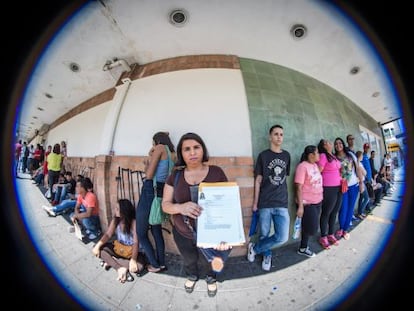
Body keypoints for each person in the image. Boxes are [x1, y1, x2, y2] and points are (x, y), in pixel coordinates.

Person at [162, 132, 232, 297]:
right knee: (189, 258)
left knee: (211, 260)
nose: (192, 152)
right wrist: (181, 208)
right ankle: (192, 276)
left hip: (212, 233)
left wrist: (226, 234)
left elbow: (227, 205)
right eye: (187, 149)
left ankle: (210, 278)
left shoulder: (216, 172)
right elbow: (165, 205)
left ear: (203, 150)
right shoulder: (175, 176)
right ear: (181, 153)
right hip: (183, 232)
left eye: (196, 147)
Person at [247, 124, 290, 271]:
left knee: (282, 236)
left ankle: (255, 248)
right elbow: (258, 180)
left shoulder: (286, 156)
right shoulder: (263, 156)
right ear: (270, 137)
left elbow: (284, 179)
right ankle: (267, 254)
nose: (279, 137)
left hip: (282, 203)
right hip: (265, 202)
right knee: (264, 234)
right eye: (276, 134)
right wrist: (255, 203)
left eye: (281, 134)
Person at [136, 132, 175, 273]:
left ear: (156, 141)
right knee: (156, 229)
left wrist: (149, 157)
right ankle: (161, 263)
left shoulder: (159, 148)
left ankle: (155, 264)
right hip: (161, 191)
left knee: (141, 232)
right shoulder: (172, 154)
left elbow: (149, 175)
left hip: (149, 190)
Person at [92, 199, 146, 283]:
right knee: (97, 247)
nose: (115, 210)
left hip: (132, 252)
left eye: (117, 208)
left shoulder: (134, 223)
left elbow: (136, 242)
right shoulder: (116, 220)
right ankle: (120, 268)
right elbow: (108, 234)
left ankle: (110, 261)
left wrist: (133, 260)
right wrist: (98, 245)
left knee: (139, 267)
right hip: (119, 248)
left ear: (124, 211)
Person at [294, 145, 323, 258]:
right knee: (311, 229)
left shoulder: (314, 165)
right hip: (307, 203)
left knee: (308, 228)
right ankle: (303, 247)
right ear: (311, 155)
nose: (319, 155)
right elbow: (298, 187)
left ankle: (303, 248)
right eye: (317, 153)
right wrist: (300, 206)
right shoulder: (302, 167)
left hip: (317, 201)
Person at [334, 137, 364, 240]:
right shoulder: (334, 158)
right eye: (336, 144)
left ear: (343, 144)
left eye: (340, 143)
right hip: (342, 187)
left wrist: (361, 183)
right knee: (343, 208)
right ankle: (341, 228)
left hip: (354, 186)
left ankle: (345, 230)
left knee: (350, 209)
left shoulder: (350, 155)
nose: (338, 145)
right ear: (335, 146)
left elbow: (358, 168)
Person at [316, 139, 342, 249]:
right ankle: (323, 236)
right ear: (323, 146)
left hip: (338, 187)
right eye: (327, 142)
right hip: (328, 188)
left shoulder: (334, 156)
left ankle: (331, 234)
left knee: (334, 211)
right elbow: (317, 172)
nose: (330, 142)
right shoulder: (323, 156)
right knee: (326, 212)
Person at [356, 151, 370, 219]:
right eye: (361, 156)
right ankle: (360, 213)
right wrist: (364, 171)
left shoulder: (357, 163)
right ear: (360, 156)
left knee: (361, 198)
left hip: (360, 182)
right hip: (361, 182)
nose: (362, 157)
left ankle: (360, 212)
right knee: (366, 198)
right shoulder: (359, 164)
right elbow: (365, 173)